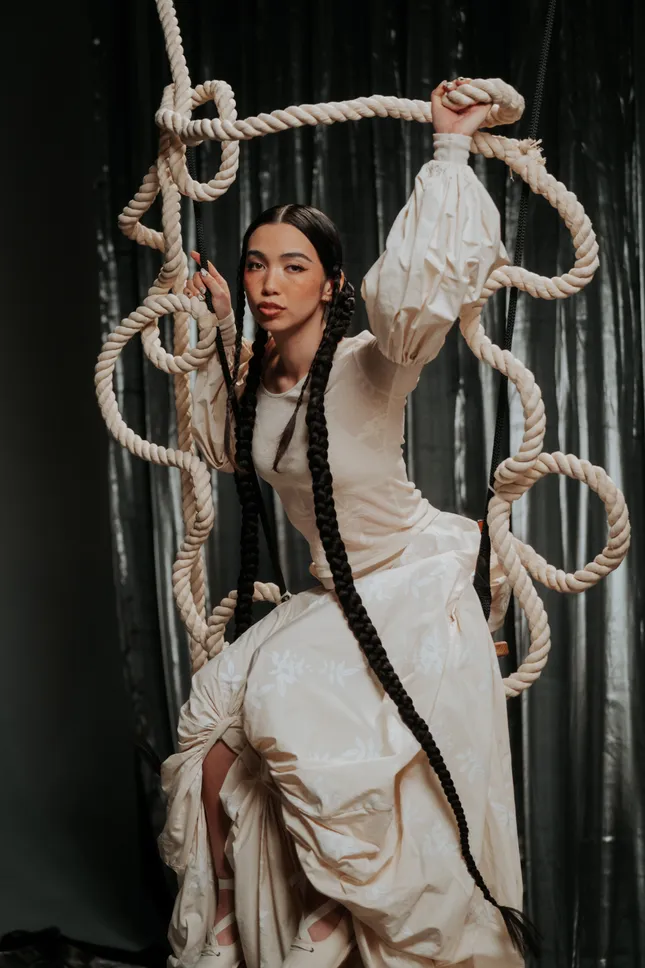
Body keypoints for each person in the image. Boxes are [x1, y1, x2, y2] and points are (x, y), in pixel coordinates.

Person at [159, 78, 526, 968]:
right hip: (334, 596)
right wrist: (216, 331)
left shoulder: (371, 363)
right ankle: (226, 920)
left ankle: (339, 910)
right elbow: (220, 443)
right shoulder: (250, 381)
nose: (269, 282)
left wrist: (448, 147)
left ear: (330, 282)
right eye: (256, 264)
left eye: (293, 265)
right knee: (209, 737)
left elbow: (418, 295)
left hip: (405, 582)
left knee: (289, 715)